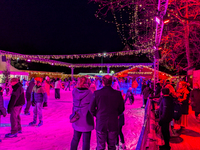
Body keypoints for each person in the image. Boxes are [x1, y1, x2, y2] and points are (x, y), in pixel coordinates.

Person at [89, 75, 125, 150]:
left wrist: (98, 115)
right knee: (112, 146)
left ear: (102, 82)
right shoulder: (117, 94)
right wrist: (115, 114)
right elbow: (121, 109)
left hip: (101, 123)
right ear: (111, 82)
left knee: (100, 146)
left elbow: (91, 108)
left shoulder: (97, 93)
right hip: (113, 123)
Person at [70, 76, 94, 150]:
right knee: (86, 141)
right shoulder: (90, 93)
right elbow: (93, 105)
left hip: (77, 117)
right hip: (86, 119)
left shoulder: (74, 91)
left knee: (75, 139)